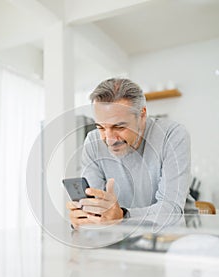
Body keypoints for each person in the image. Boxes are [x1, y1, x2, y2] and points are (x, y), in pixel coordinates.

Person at [67, 78, 194, 228]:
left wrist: (122, 215)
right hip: (117, 237)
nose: (109, 140)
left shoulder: (172, 135)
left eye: (119, 127)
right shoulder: (93, 142)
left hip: (168, 236)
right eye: (101, 127)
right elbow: (97, 208)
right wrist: (84, 217)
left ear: (142, 116)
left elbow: (171, 211)